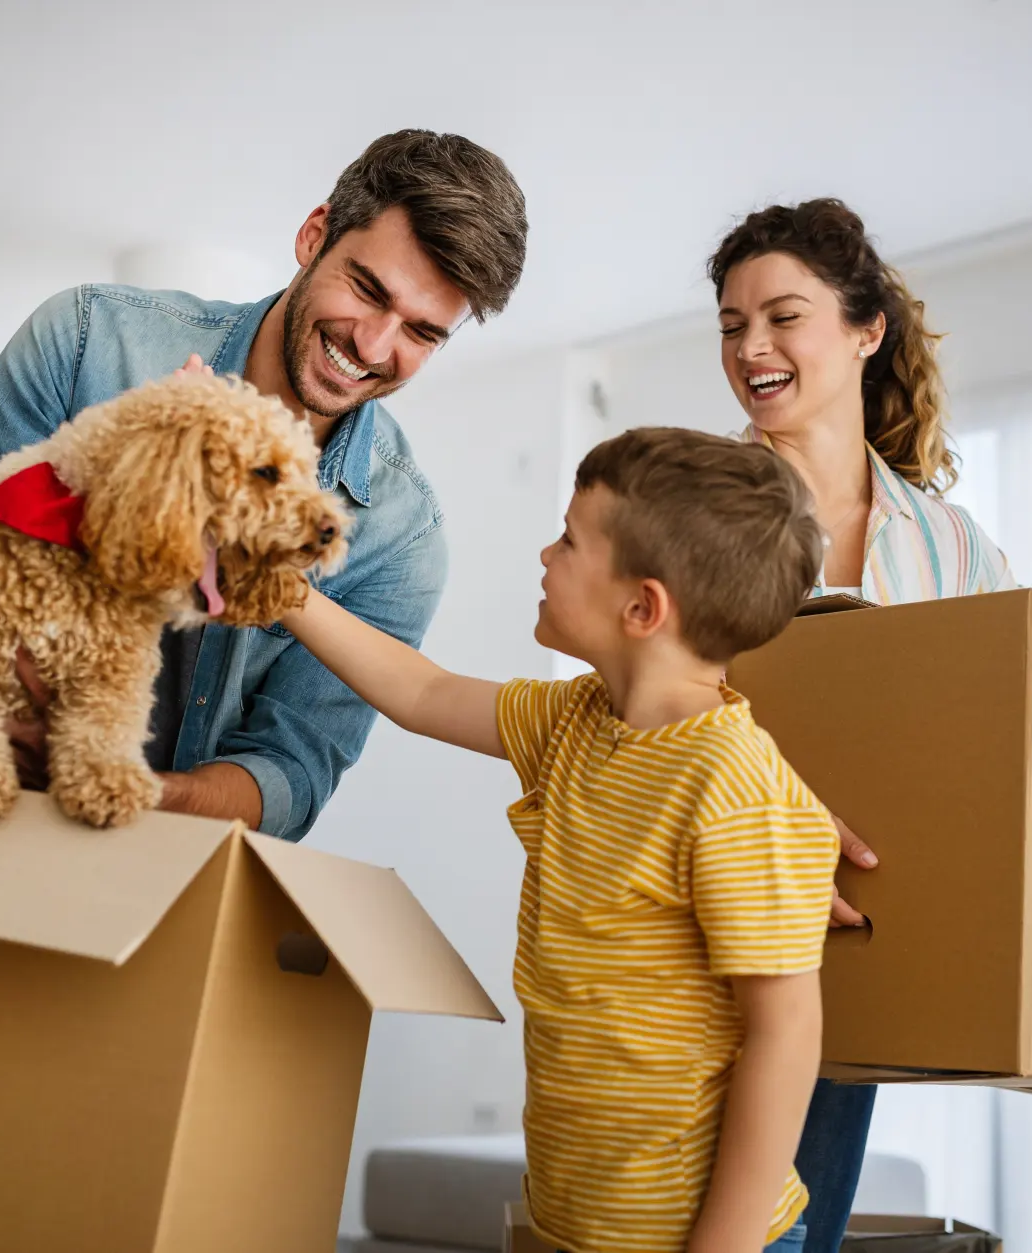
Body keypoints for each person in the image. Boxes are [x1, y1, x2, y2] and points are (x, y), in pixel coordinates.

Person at [0, 130, 528, 842]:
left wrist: (129, 794)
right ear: (314, 234)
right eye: (367, 290)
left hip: (147, 869)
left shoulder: (400, 535)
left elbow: (293, 770)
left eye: (422, 333)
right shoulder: (89, 340)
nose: (373, 346)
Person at [283, 427, 840, 1253]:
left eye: (570, 540)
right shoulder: (574, 720)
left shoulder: (734, 786)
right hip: (574, 1222)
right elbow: (422, 692)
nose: (546, 554)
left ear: (642, 607)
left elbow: (786, 1033)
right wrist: (283, 593)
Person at [709, 198, 1014, 1253]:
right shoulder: (688, 510)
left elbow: (995, 740)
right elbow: (631, 713)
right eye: (732, 325)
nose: (751, 347)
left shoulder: (953, 548)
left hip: (860, 944)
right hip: (707, 941)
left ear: (865, 329)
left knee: (800, 1239)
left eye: (783, 317)